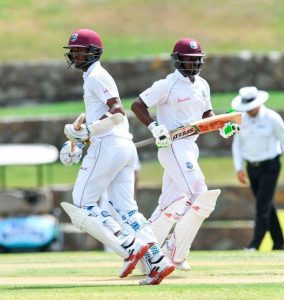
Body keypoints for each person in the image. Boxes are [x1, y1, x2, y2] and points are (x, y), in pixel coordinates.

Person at [59, 28, 175, 285]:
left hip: (109, 144)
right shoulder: (94, 76)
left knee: (82, 202)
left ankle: (129, 245)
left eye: (79, 52)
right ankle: (158, 260)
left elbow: (118, 113)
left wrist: (89, 131)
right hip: (123, 146)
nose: (75, 56)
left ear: (94, 52)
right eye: (73, 52)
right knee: (126, 209)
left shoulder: (96, 77)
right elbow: (106, 115)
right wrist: (80, 141)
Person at [131, 37, 240, 270]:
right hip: (172, 147)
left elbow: (207, 116)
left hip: (190, 146)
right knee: (200, 194)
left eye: (196, 60)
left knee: (170, 203)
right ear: (177, 60)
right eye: (189, 60)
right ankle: (174, 250)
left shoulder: (202, 85)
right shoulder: (166, 85)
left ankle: (145, 254)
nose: (193, 64)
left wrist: (224, 126)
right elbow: (137, 105)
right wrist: (154, 126)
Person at [231, 86, 284, 251]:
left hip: (270, 165)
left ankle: (255, 244)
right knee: (266, 204)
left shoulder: (272, 118)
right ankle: (279, 243)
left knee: (262, 206)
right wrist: (239, 168)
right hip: (251, 168)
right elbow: (237, 145)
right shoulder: (241, 120)